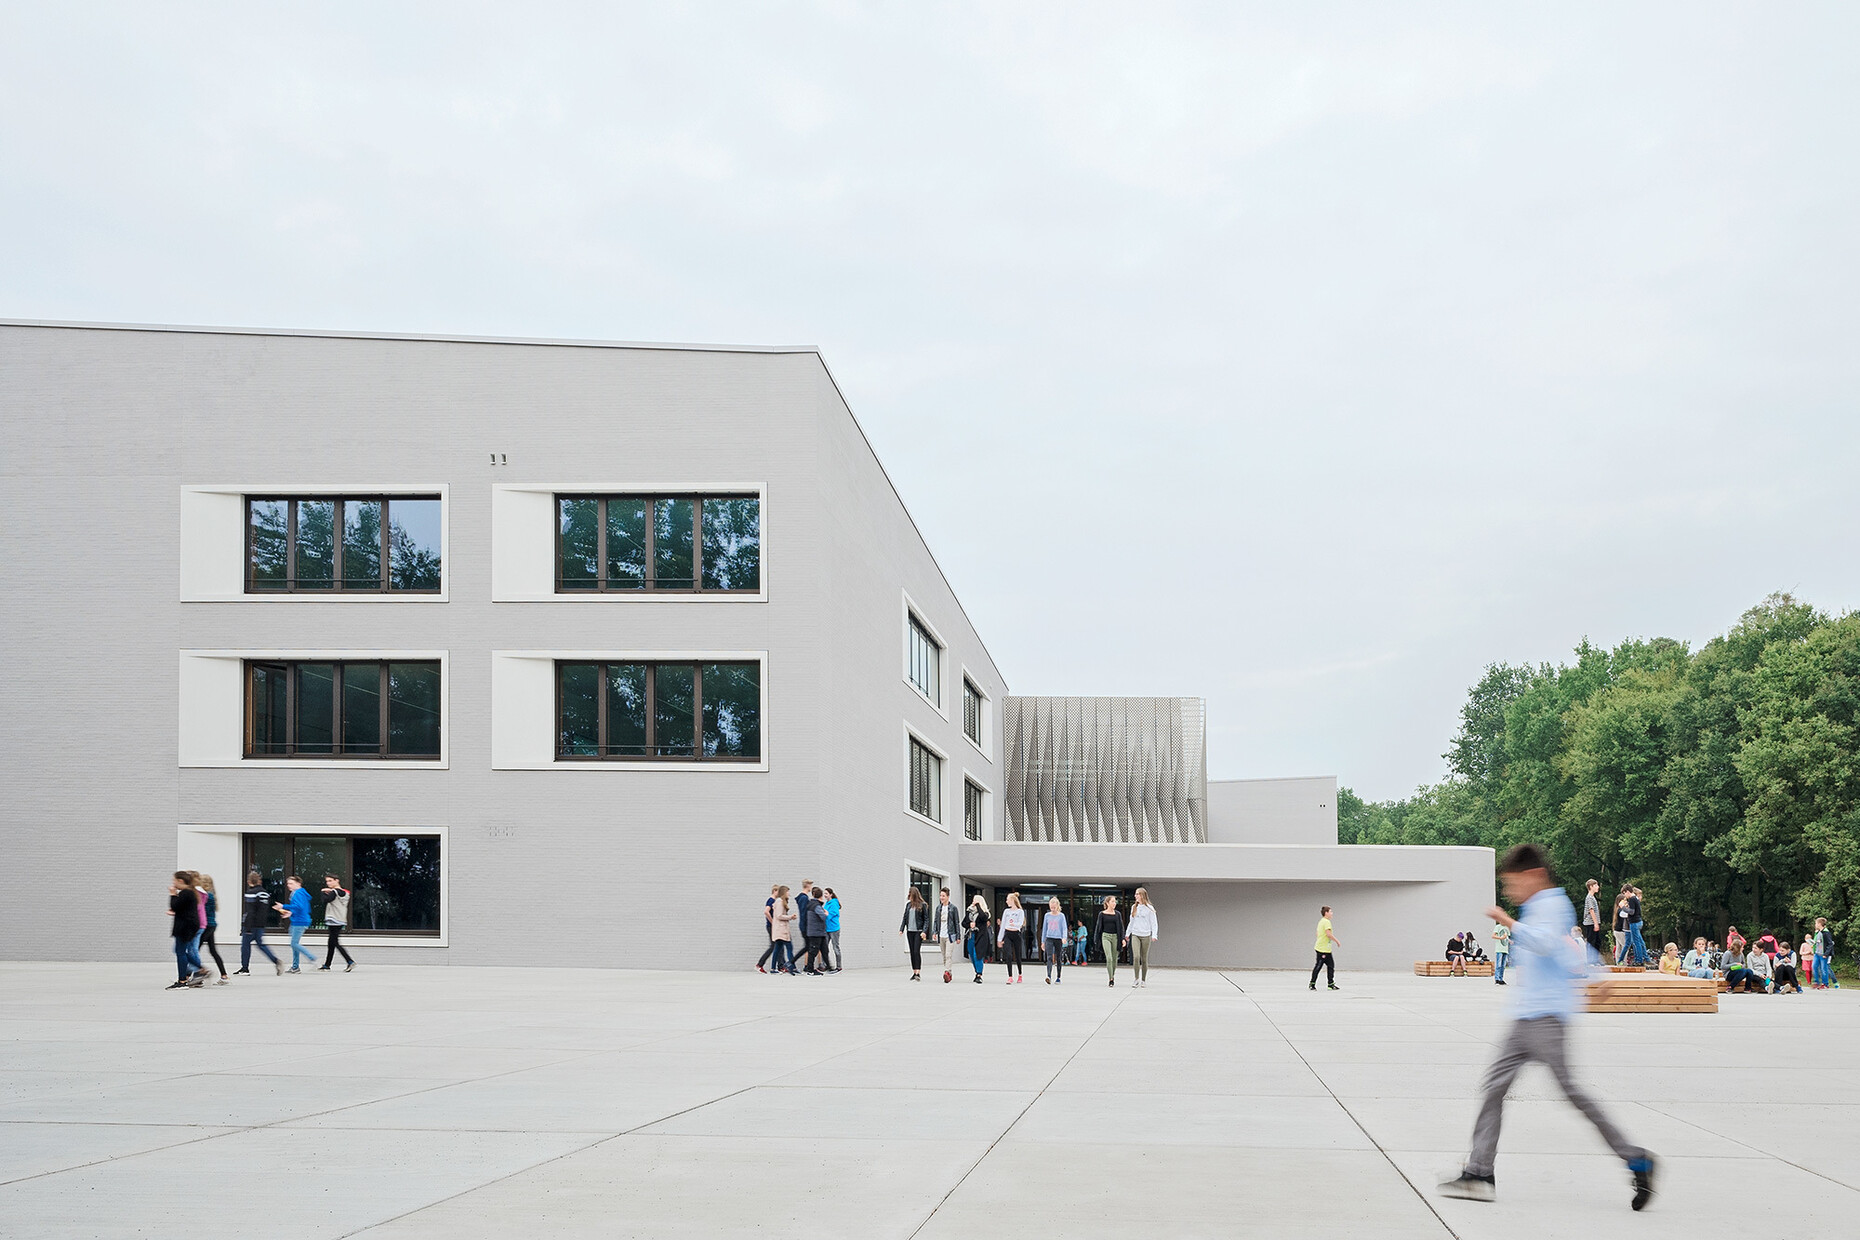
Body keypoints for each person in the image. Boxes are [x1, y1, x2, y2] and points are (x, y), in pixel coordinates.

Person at [1438, 843, 1656, 1210]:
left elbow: (1546, 943)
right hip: (1524, 1017)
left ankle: (1637, 1159)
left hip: (1548, 1019)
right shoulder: (1537, 907)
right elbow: (1566, 948)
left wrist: (1508, 922)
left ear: (1534, 876)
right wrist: (1597, 972)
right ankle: (1479, 1172)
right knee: (1493, 1088)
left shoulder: (1552, 904)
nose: (1510, 892)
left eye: (1513, 883)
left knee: (1573, 1094)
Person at [235, 870, 282, 976]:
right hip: (261, 924)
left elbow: (250, 911)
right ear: (259, 881)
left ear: (249, 881)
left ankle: (245, 968)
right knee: (261, 945)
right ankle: (276, 961)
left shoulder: (251, 893)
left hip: (251, 924)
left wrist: (247, 927)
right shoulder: (265, 893)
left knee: (245, 946)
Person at [272, 876, 317, 973]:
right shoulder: (301, 893)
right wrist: (290, 913)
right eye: (288, 883)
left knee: (294, 943)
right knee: (294, 945)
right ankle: (295, 967)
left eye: (291, 883)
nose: (289, 885)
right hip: (298, 920)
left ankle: (312, 958)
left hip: (299, 922)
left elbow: (299, 906)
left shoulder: (298, 893)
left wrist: (283, 906)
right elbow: (303, 908)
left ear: (298, 883)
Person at [166, 872, 202, 990]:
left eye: (174, 880)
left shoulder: (186, 893)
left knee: (180, 952)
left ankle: (182, 981)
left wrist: (172, 894)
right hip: (188, 925)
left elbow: (175, 906)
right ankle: (200, 969)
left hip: (185, 926)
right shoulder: (189, 893)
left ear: (180, 881)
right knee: (181, 951)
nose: (173, 883)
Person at [196, 874, 229, 985]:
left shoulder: (205, 896)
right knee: (213, 951)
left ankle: (197, 974)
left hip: (206, 926)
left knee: (194, 950)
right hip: (211, 925)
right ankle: (224, 976)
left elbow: (201, 911)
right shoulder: (211, 895)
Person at [318, 874, 355, 973]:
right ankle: (327, 965)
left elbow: (325, 900)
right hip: (340, 918)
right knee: (331, 942)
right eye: (327, 881)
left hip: (334, 919)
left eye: (330, 881)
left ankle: (350, 961)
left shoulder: (334, 892)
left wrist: (323, 892)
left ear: (337, 880)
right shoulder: (345, 892)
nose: (328, 883)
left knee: (334, 942)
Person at [1126, 888, 1159, 988]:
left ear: (1142, 895)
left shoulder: (1149, 908)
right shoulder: (1134, 907)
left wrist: (1154, 935)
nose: (1135, 896)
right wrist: (1127, 933)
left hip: (1146, 935)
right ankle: (1136, 978)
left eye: (1137, 894)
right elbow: (1131, 921)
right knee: (1136, 957)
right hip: (1135, 934)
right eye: (1135, 894)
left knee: (1144, 958)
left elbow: (1154, 923)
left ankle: (1143, 979)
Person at [930, 887, 962, 981]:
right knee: (944, 955)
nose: (941, 897)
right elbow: (936, 921)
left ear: (948, 896)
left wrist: (958, 936)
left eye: (943, 896)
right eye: (940, 895)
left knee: (948, 955)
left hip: (950, 935)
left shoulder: (953, 908)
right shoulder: (938, 908)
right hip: (941, 935)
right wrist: (934, 932)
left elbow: (956, 923)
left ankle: (946, 971)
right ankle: (949, 973)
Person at [798, 886, 831, 975]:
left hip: (819, 932)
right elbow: (823, 917)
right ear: (821, 896)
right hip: (816, 932)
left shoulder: (812, 904)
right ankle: (810, 970)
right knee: (813, 951)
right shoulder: (815, 905)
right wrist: (826, 913)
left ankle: (829, 968)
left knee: (824, 950)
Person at [1094, 896, 1124, 986]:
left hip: (1115, 937)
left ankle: (1112, 975)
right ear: (1107, 903)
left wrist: (1122, 939)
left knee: (1114, 959)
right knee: (1109, 957)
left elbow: (1121, 927)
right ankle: (1110, 979)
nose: (1114, 903)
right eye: (1112, 901)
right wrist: (1096, 939)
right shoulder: (1102, 914)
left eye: (1115, 901)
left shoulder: (1118, 914)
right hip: (1105, 936)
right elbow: (1098, 927)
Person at [996, 893, 1026, 984]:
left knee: (1017, 956)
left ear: (1012, 900)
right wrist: (999, 939)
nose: (1006, 901)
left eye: (1007, 899)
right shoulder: (1006, 911)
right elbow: (1003, 925)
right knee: (1008, 955)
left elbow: (1020, 923)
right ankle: (1010, 976)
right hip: (1007, 934)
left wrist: (1014, 924)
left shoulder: (1020, 911)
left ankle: (1020, 974)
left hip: (1016, 934)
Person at [899, 888, 927, 981]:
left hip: (918, 931)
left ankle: (918, 972)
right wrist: (901, 929)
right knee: (912, 952)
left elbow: (926, 919)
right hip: (910, 931)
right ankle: (914, 972)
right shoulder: (908, 905)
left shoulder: (922, 905)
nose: (909, 895)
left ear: (914, 894)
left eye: (910, 893)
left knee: (916, 951)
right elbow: (905, 918)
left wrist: (924, 931)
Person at [1309, 906, 1340, 990]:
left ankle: (1331, 984)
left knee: (1331, 966)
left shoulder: (1321, 921)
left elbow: (1317, 933)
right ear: (1326, 913)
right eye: (1330, 912)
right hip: (1322, 949)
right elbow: (1328, 934)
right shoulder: (1326, 922)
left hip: (1326, 949)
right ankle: (1312, 984)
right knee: (1318, 966)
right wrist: (1337, 941)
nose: (1332, 913)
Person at [769, 886, 797, 975]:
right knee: (789, 948)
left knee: (777, 949)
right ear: (784, 893)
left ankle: (773, 968)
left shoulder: (779, 902)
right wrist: (790, 917)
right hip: (781, 930)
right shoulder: (780, 902)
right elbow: (779, 915)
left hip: (779, 929)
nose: (789, 894)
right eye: (788, 892)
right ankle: (792, 968)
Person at [964, 894, 992, 983]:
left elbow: (983, 917)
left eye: (976, 901)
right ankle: (977, 972)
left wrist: (978, 906)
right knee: (972, 955)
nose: (974, 902)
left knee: (978, 955)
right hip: (971, 935)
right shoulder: (969, 911)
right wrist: (969, 924)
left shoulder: (985, 913)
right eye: (973, 900)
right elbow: (963, 923)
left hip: (981, 936)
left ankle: (979, 974)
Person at [1040, 897, 1068, 984]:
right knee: (1049, 957)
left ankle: (1058, 977)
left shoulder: (1061, 916)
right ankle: (1048, 976)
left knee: (1058, 957)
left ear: (1057, 906)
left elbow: (1064, 927)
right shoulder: (1047, 915)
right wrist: (1042, 941)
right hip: (1049, 938)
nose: (1053, 909)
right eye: (1051, 907)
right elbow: (1044, 929)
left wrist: (1064, 937)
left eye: (1054, 907)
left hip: (1058, 938)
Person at [756, 883, 780, 973]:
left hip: (772, 926)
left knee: (778, 945)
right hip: (771, 927)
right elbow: (766, 912)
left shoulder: (773, 900)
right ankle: (760, 964)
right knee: (774, 946)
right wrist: (773, 922)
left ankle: (781, 965)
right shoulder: (771, 900)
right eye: (778, 891)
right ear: (774, 891)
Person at [1581, 879, 1605, 961]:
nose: (1598, 887)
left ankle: (1596, 959)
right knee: (1592, 942)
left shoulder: (1593, 897)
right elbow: (1591, 910)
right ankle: (1590, 960)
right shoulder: (1589, 898)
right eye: (1596, 885)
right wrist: (1595, 923)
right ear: (1591, 887)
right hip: (1590, 923)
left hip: (1594, 922)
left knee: (1597, 941)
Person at [823, 888, 843, 973]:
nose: (825, 895)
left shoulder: (834, 903)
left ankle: (839, 966)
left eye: (826, 893)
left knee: (835, 947)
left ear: (831, 894)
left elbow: (829, 915)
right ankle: (826, 965)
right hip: (827, 929)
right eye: (824, 893)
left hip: (834, 929)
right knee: (824, 948)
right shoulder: (827, 903)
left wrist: (825, 913)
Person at [1813, 918, 1836, 989]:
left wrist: (1826, 954)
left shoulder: (1826, 933)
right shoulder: (1818, 932)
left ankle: (1825, 984)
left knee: (1823, 969)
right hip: (1817, 952)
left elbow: (1830, 944)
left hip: (1823, 953)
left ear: (1819, 924)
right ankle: (1816, 982)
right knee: (1814, 966)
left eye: (1816, 923)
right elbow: (1816, 941)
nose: (1815, 925)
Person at [1491, 920, 1512, 985]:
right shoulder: (1498, 927)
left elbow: (1506, 937)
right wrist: (1500, 938)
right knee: (1499, 965)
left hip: (1505, 949)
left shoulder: (1506, 927)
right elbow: (1493, 936)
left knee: (1503, 966)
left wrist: (1509, 941)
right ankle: (1497, 979)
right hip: (1499, 949)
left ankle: (1501, 979)